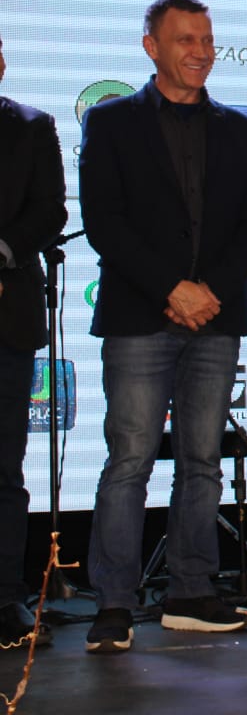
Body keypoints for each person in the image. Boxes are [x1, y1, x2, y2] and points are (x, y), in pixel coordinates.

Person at [80, 0, 247, 652]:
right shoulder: (111, 122)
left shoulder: (239, 130)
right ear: (152, 47)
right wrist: (172, 289)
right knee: (130, 459)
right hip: (140, 316)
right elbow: (105, 221)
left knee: (202, 461)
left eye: (207, 40)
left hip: (216, 320)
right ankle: (114, 602)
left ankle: (191, 591)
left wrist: (209, 292)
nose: (201, 51)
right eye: (186, 39)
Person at [0, 33, 66, 649]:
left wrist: (3, 249)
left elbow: (51, 211)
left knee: (4, 466)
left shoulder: (31, 126)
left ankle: (6, 596)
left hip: (7, 313)